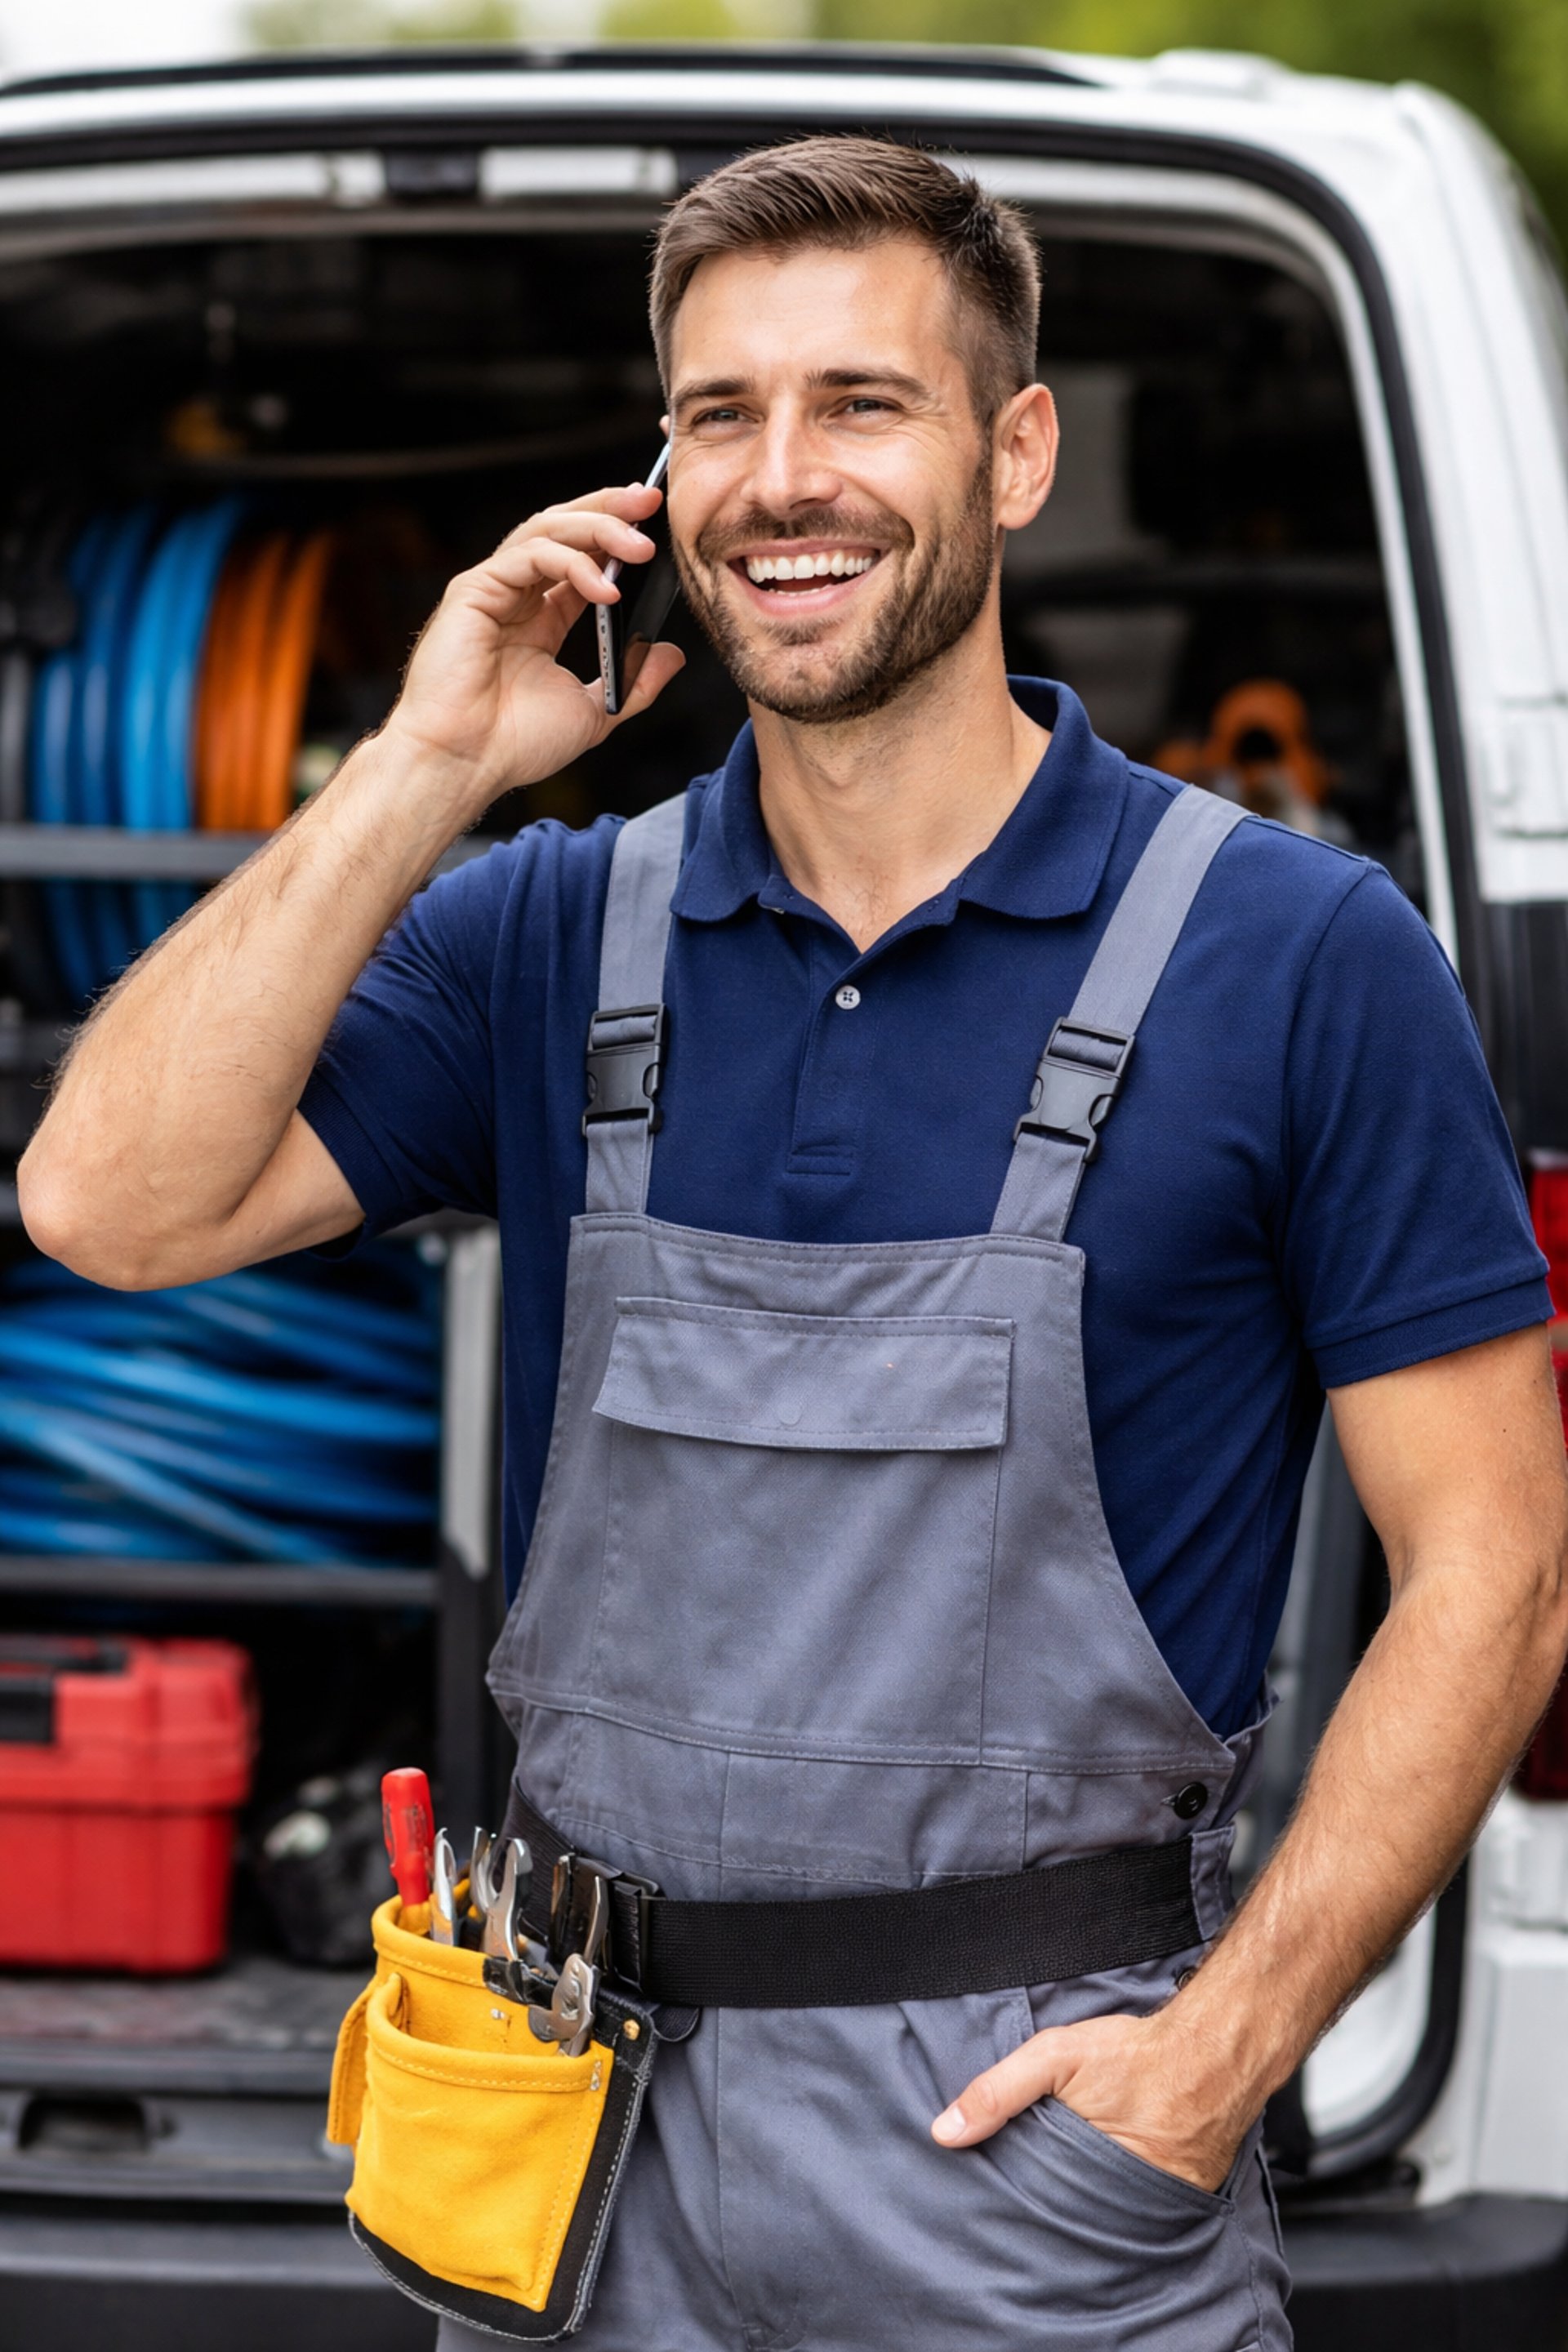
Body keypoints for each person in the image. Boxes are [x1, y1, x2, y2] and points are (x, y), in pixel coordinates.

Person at [20, 136, 1568, 2352]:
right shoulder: (547, 930)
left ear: (1017, 453)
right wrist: (426, 758)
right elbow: (102, 1199)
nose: (782, 478)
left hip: (1031, 2179)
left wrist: (1221, 2061)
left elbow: (1500, 1574)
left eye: (862, 403)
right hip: (574, 2165)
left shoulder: (1296, 955)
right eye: (719, 415)